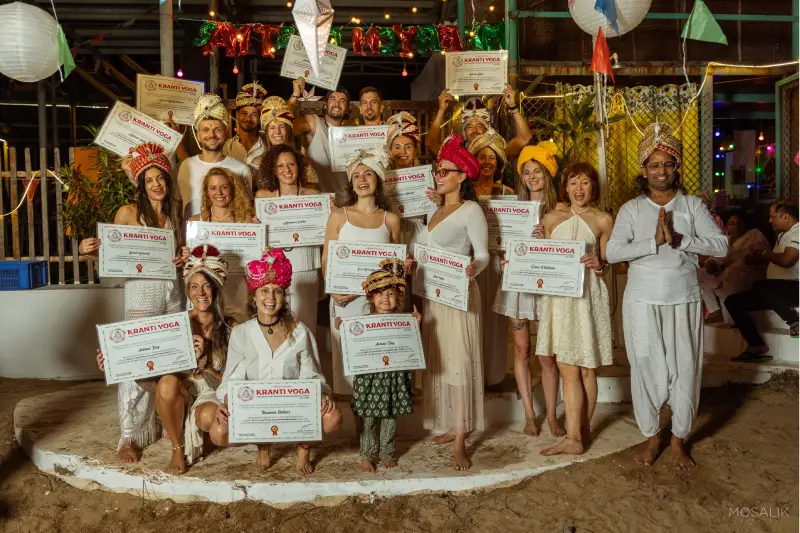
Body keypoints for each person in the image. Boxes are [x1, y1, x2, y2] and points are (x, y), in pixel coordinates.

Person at [606, 123, 727, 471]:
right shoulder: (631, 209)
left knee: (685, 368)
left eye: (668, 164)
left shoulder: (691, 205)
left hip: (683, 297)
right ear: (644, 171)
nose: (661, 171)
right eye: (654, 165)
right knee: (645, 366)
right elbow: (613, 252)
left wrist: (681, 240)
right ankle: (652, 436)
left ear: (676, 168)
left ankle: (678, 439)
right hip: (641, 300)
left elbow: (721, 245)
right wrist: (654, 243)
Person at [79, 143, 186, 466]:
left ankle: (165, 420)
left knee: (169, 358)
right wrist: (89, 251)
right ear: (141, 184)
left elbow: (176, 257)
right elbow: (112, 256)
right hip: (141, 293)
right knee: (135, 361)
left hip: (173, 293)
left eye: (161, 179)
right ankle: (129, 435)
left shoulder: (172, 215)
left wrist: (180, 258)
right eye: (150, 179)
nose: (157, 184)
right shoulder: (128, 213)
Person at [95, 244, 238, 473]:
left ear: (216, 288)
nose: (200, 293)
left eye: (206, 286)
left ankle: (196, 432)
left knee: (213, 422)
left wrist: (205, 365)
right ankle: (177, 447)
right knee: (168, 382)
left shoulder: (232, 328)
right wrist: (113, 360)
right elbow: (145, 360)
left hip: (212, 393)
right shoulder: (175, 324)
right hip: (182, 392)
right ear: (188, 291)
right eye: (194, 286)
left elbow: (234, 381)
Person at [211, 248, 342, 475]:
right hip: (258, 407)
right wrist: (226, 402)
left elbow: (312, 375)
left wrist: (320, 395)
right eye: (264, 291)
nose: (270, 298)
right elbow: (232, 378)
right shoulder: (241, 333)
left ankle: (303, 448)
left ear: (284, 296)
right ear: (254, 296)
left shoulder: (300, 332)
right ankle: (263, 446)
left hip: (293, 407)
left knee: (332, 418)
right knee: (218, 432)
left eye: (277, 291)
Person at [415, 134, 488, 471]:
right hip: (434, 295)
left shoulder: (471, 210)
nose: (439, 175)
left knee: (459, 361)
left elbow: (483, 254)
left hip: (458, 294)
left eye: (445, 171)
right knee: (441, 361)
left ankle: (461, 437)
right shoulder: (435, 209)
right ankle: (450, 424)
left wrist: (474, 269)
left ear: (462, 176)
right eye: (437, 170)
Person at [536, 163, 614, 456]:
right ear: (565, 187)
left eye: (585, 183)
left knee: (585, 368)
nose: (579, 189)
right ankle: (574, 436)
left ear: (593, 187)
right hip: (559, 298)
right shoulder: (551, 219)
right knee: (566, 365)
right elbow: (539, 257)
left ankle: (581, 431)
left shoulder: (603, 220)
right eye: (573, 183)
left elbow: (608, 263)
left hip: (586, 296)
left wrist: (600, 263)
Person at [496, 141, 567, 437]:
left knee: (547, 354)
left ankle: (551, 415)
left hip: (546, 284)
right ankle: (529, 414)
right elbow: (501, 242)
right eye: (527, 172)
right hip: (518, 284)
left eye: (538, 171)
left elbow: (568, 249)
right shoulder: (514, 207)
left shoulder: (561, 209)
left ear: (548, 174)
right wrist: (503, 258)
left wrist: (548, 236)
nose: (532, 176)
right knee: (523, 349)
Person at [322, 146, 402, 395]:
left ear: (377, 180)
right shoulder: (338, 216)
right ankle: (360, 432)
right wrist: (333, 290)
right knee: (350, 368)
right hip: (345, 300)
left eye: (368, 174)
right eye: (357, 175)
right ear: (351, 184)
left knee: (378, 363)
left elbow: (396, 266)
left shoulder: (391, 219)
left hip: (380, 303)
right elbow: (326, 258)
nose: (362, 180)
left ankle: (379, 428)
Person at [334, 258, 418, 472]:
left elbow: (410, 347)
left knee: (390, 416)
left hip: (393, 377)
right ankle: (366, 454)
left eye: (390, 294)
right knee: (368, 418)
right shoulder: (362, 322)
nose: (385, 298)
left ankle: (387, 453)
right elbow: (353, 347)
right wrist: (342, 329)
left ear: (397, 297)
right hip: (369, 377)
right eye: (380, 294)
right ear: (370, 297)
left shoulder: (404, 321)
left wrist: (416, 326)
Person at [467, 130, 515, 391]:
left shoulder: (507, 192)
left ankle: (494, 374)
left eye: (492, 158)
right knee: (474, 313)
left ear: (498, 164)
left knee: (495, 316)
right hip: (473, 260)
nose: (487, 162)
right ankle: (473, 374)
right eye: (481, 157)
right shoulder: (466, 191)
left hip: (497, 261)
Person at [255, 145, 322, 331]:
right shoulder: (263, 197)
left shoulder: (314, 195)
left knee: (305, 325)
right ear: (274, 171)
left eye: (291, 164)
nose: (287, 170)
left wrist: (329, 212)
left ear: (299, 167)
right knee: (276, 324)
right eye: (281, 166)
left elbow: (324, 231)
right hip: (274, 268)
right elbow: (259, 235)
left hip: (306, 265)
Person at [724, 201, 800, 360]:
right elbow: (778, 261)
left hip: (795, 287)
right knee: (733, 301)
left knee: (760, 286)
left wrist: (764, 254)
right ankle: (756, 345)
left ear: (785, 216)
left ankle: (794, 321)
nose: (769, 221)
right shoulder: (785, 234)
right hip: (775, 291)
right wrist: (757, 260)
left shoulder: (798, 231)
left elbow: (787, 260)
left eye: (773, 217)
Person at [186, 166, 256, 311]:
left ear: (232, 189)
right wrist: (186, 255)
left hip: (238, 287)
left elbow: (257, 261)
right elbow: (190, 262)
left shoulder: (248, 221)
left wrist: (262, 246)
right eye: (213, 188)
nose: (219, 192)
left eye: (224, 187)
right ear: (207, 191)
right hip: (207, 289)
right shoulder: (196, 222)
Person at [177, 93, 251, 221]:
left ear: (226, 133)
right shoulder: (185, 166)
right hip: (193, 238)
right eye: (205, 130)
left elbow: (247, 210)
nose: (211, 134)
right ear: (198, 135)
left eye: (217, 129)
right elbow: (175, 204)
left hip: (230, 237)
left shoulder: (241, 170)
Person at [698, 212, 769, 324]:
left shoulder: (754, 234)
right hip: (724, 274)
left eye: (738, 223)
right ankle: (715, 311)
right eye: (731, 223)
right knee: (699, 274)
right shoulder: (726, 240)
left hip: (748, 274)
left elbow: (760, 256)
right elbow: (716, 259)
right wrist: (711, 264)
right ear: (727, 226)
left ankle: (735, 316)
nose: (735, 225)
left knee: (735, 269)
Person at [426, 85, 532, 159]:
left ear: (487, 129)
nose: (474, 130)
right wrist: (441, 110)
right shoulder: (455, 155)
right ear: (464, 132)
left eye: (480, 125)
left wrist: (513, 106)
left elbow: (524, 138)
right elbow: (430, 144)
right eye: (469, 127)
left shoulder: (497, 151)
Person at [292, 79, 350, 206]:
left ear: (346, 109)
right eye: (333, 98)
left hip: (347, 204)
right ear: (325, 104)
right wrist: (295, 96)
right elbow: (286, 126)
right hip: (321, 203)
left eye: (342, 100)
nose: (337, 103)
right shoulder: (314, 122)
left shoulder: (350, 136)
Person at [223, 82, 268, 167]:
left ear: (260, 119)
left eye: (254, 114)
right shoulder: (227, 147)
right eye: (244, 113)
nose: (248, 119)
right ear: (238, 116)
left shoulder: (267, 146)